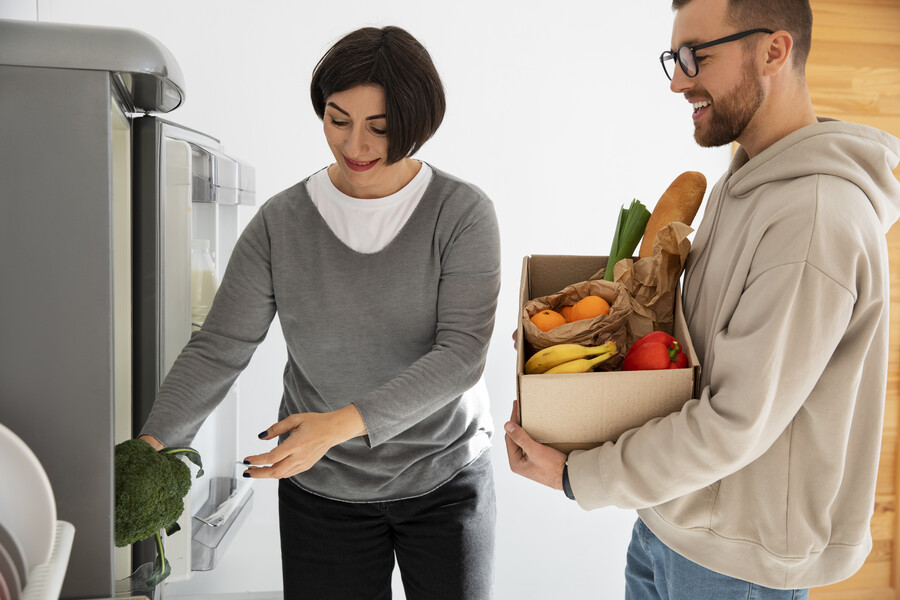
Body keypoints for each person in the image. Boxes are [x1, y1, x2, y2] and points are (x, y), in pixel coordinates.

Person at [504, 0, 900, 597]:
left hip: (734, 565)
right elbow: (695, 354)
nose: (677, 81)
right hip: (668, 525)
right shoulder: (741, 182)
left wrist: (577, 477)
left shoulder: (814, 221)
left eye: (695, 56)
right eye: (673, 57)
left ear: (774, 50)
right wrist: (585, 345)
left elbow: (734, 422)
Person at [139, 26, 501, 600]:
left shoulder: (461, 214)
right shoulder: (280, 224)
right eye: (338, 120)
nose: (355, 145)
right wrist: (152, 448)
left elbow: (460, 357)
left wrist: (334, 427)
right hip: (322, 495)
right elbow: (220, 346)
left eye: (379, 128)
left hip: (445, 478)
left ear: (417, 124)